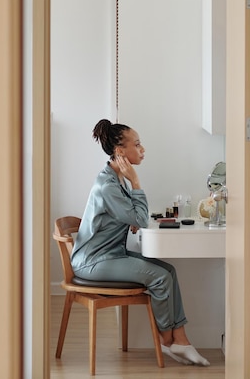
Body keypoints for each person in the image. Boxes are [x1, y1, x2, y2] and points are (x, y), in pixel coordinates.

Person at [71, 118, 210, 367]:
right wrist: (136, 183)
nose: (142, 149)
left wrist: (130, 217)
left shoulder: (114, 179)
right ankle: (167, 340)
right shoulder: (109, 184)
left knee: (168, 270)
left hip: (110, 255)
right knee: (159, 277)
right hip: (94, 261)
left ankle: (180, 338)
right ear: (120, 151)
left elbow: (135, 217)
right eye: (137, 144)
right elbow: (141, 219)